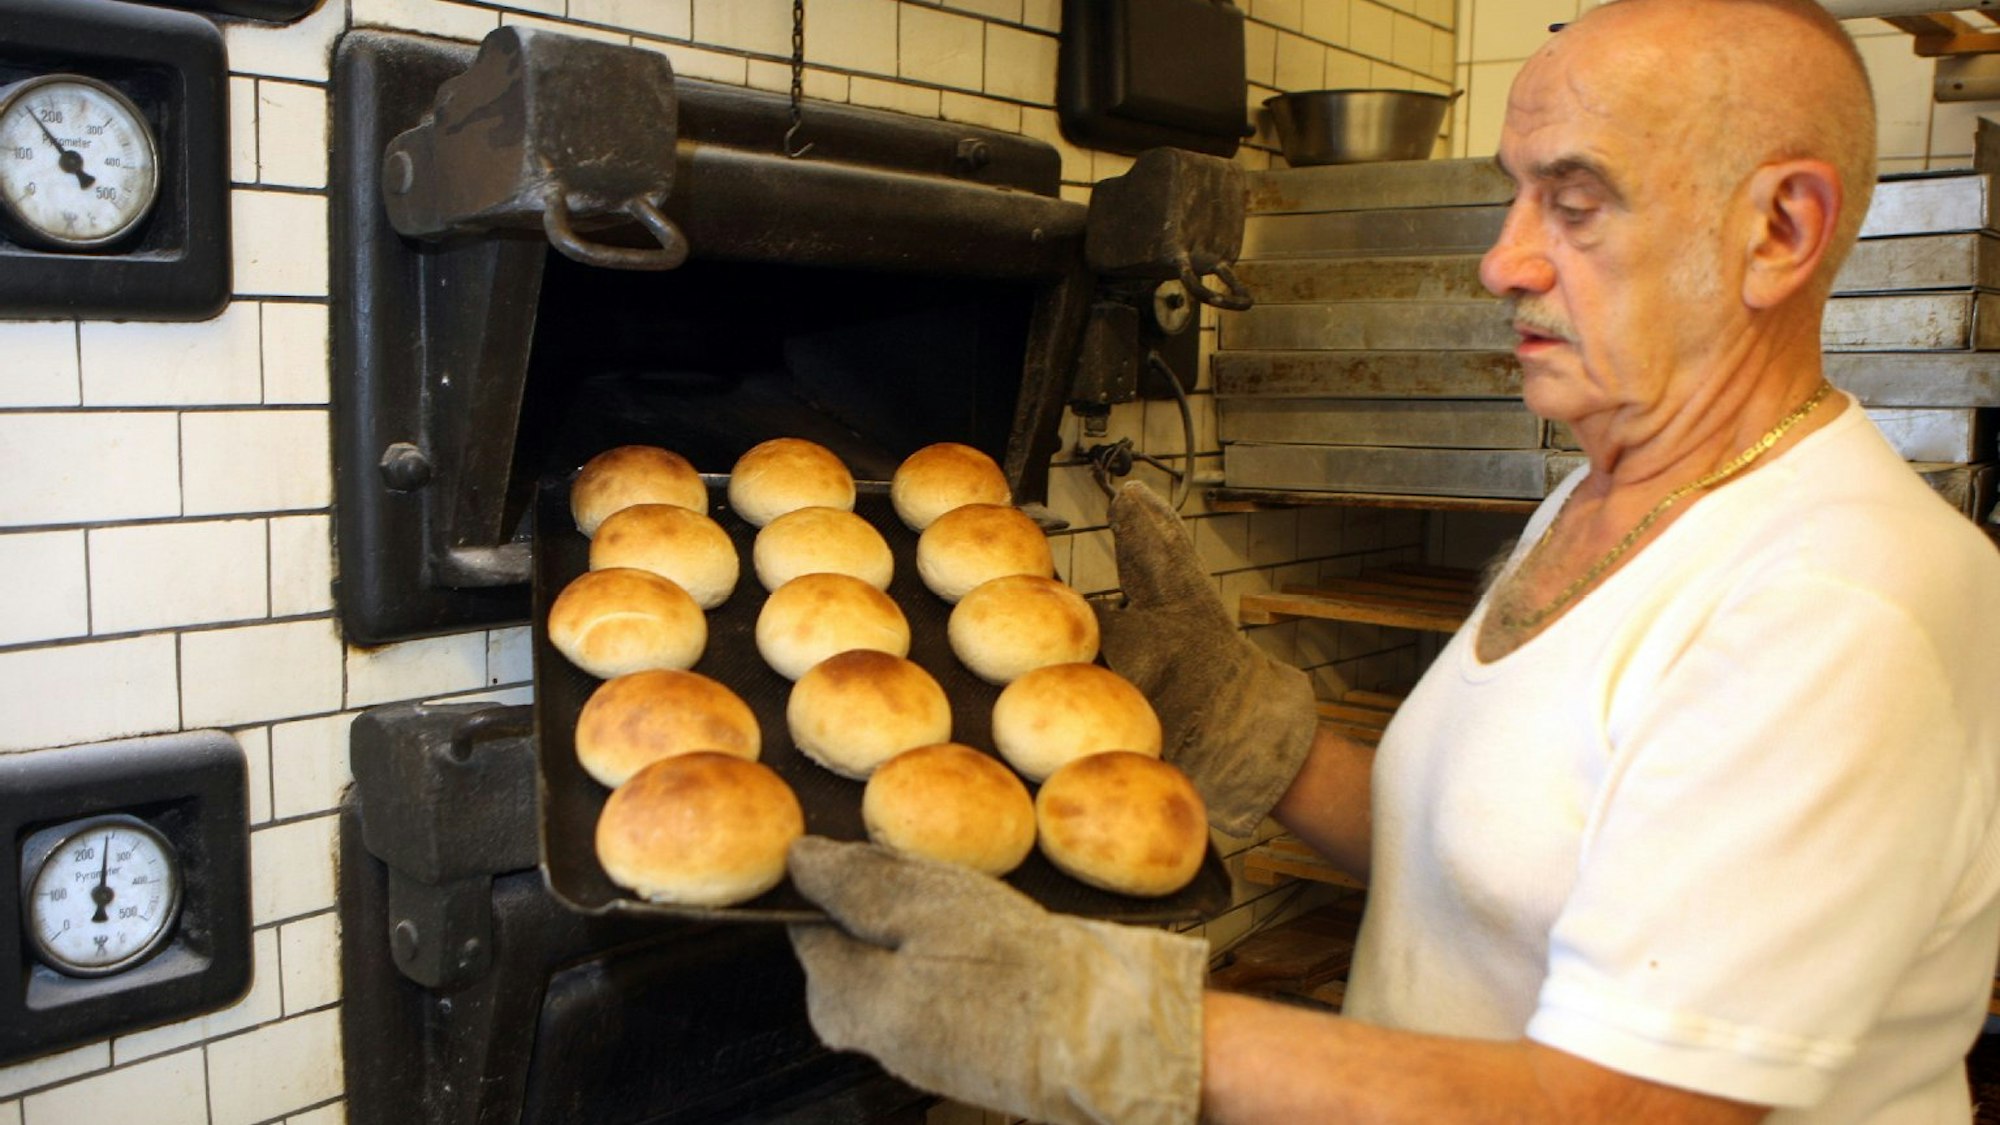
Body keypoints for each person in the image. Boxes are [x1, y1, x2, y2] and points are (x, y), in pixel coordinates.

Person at [784, 0, 2000, 1120]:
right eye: (1511, 197)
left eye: (1572, 206)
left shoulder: (1840, 598)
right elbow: (1488, 865)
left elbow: (1635, 1109)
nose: (1502, 261)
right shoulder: (1608, 492)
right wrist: (1257, 732)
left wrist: (1105, 1026)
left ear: (1777, 230)